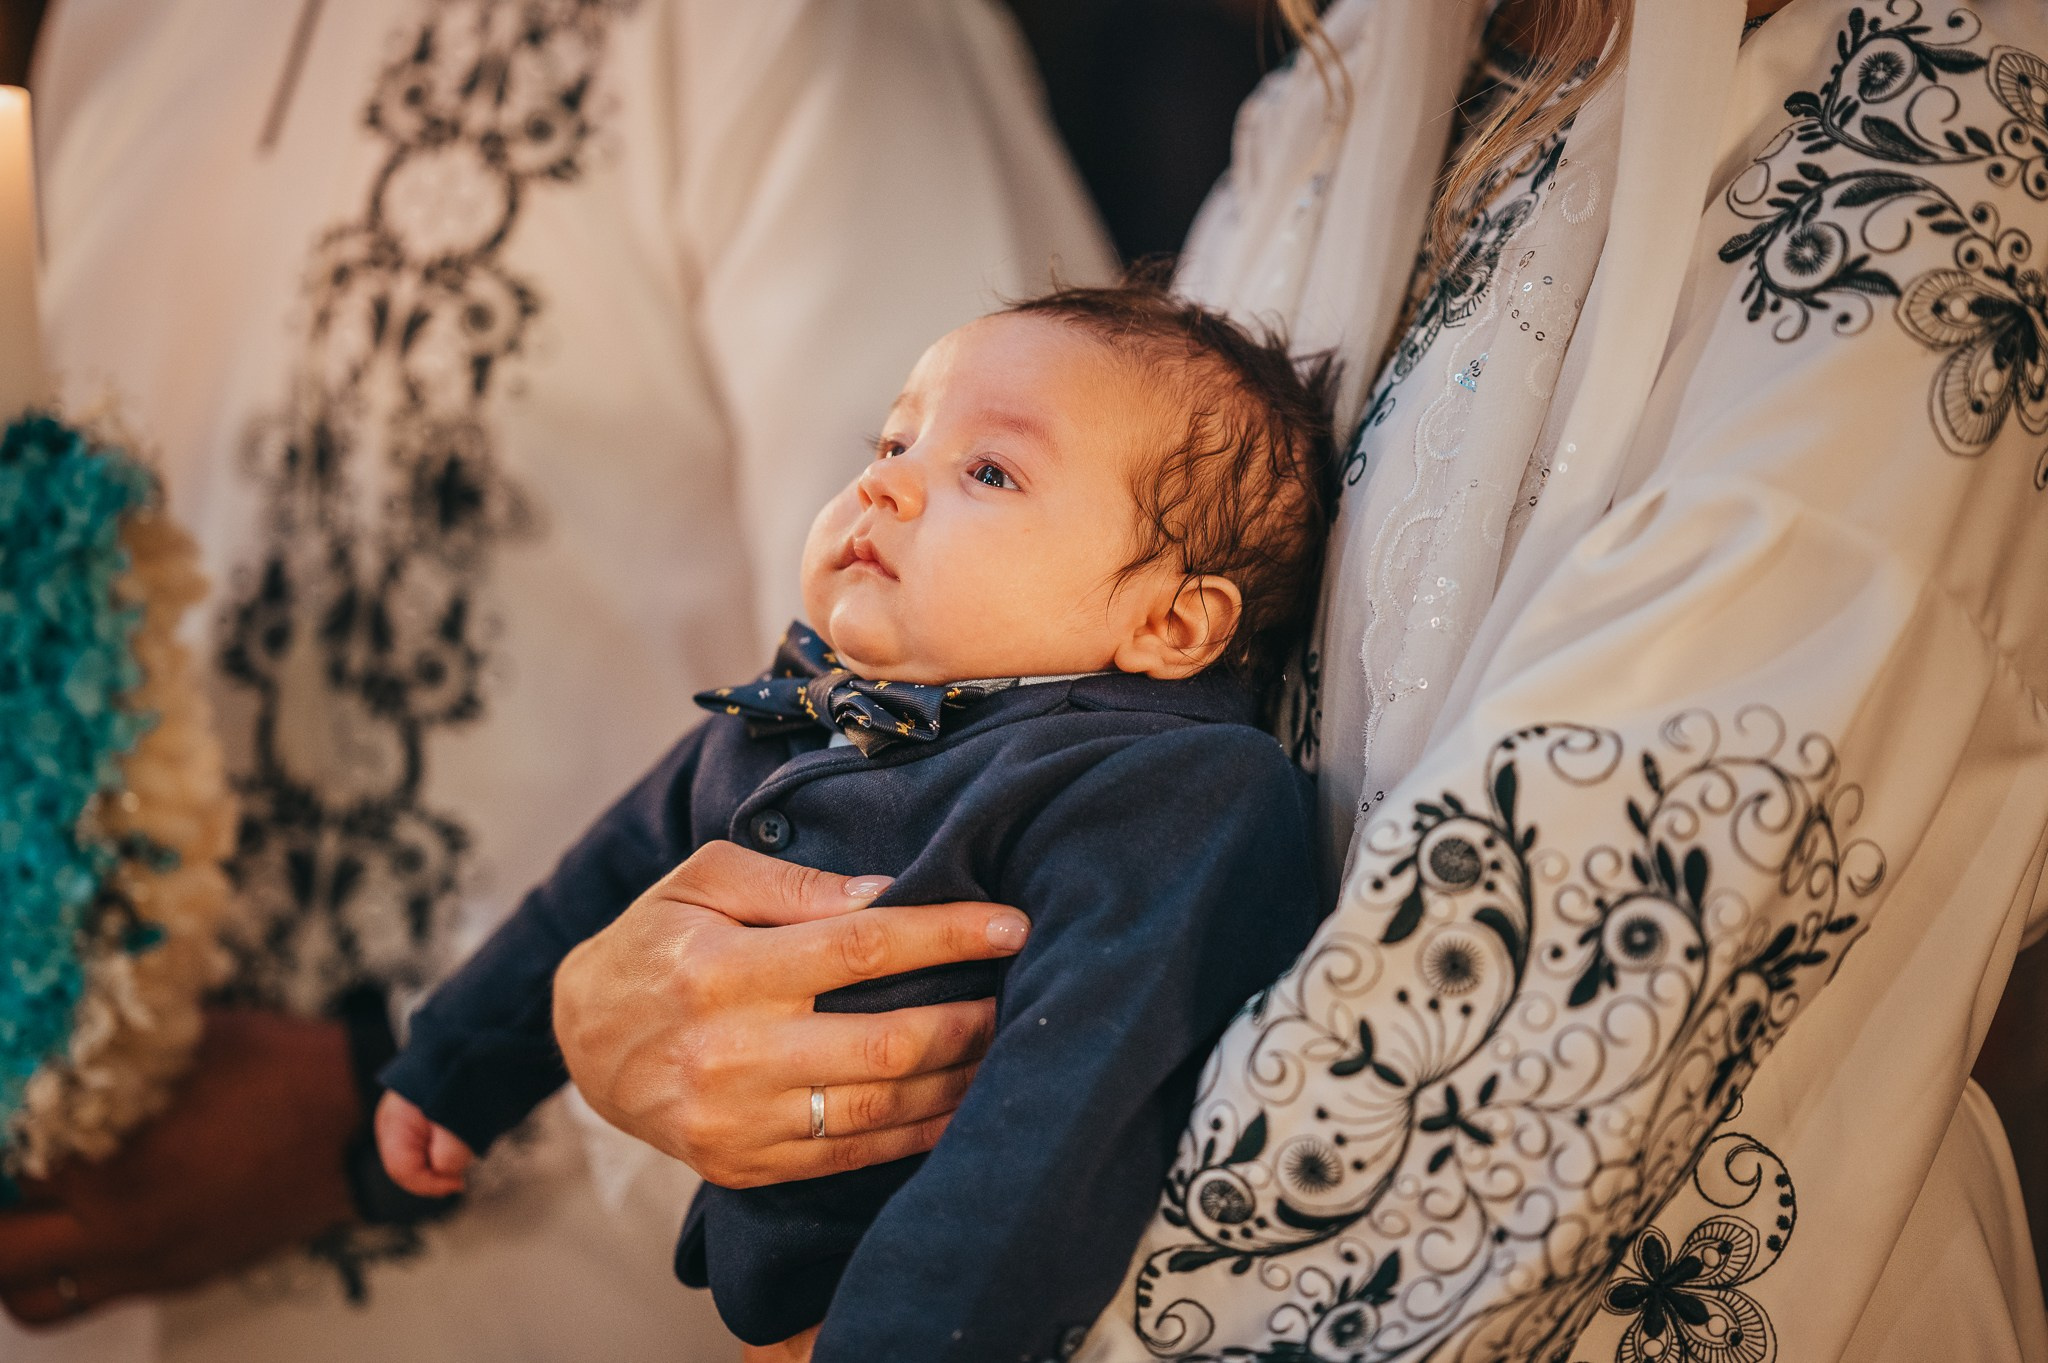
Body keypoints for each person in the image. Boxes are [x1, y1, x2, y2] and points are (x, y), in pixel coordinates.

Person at [550, 0, 2048, 1359]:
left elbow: (1563, 978)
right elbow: (1003, 672)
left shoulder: (1937, 153)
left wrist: (917, 1305)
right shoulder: (1325, 114)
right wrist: (652, 1010)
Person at [6, 1, 1114, 1359]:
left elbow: (995, 675)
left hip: (580, 1279)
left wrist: (406, 1072)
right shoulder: (115, 33)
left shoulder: (793, 27)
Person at [373, 285, 1334, 1359]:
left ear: (1168, 620)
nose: (885, 482)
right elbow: (603, 888)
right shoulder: (797, 711)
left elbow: (1060, 1119)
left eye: (989, 471)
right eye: (893, 439)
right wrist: (458, 1062)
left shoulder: (1161, 791)